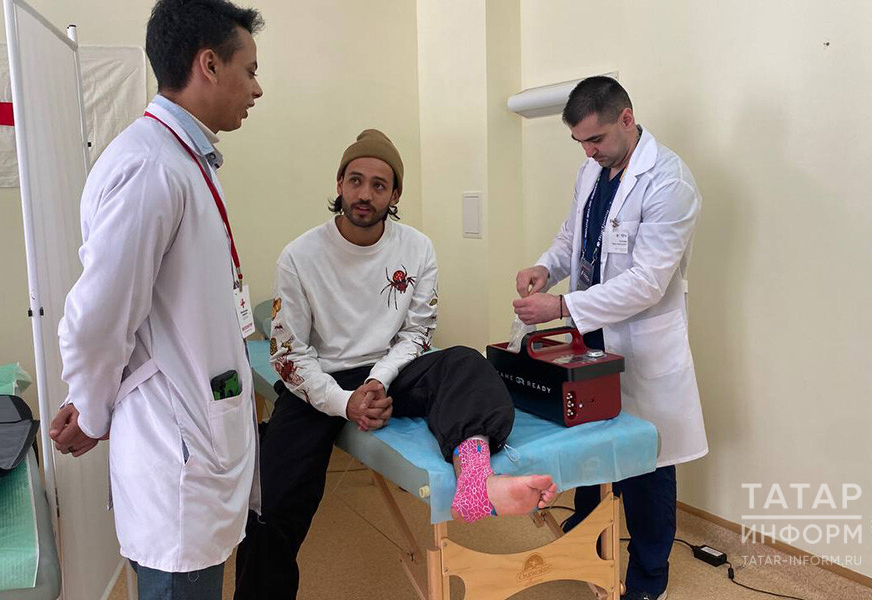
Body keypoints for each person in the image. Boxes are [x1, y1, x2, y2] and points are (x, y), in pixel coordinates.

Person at [234, 129, 557, 598]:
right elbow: (288, 354)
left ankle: (475, 476)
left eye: (379, 185)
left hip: (391, 368)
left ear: (395, 194)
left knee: (464, 362)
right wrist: (345, 403)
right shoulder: (300, 257)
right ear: (340, 184)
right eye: (356, 180)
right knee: (273, 500)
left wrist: (379, 380)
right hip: (319, 378)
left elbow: (417, 333)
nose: (365, 194)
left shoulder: (417, 248)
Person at [48, 1, 264, 597]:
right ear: (209, 65)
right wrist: (91, 412)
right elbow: (95, 322)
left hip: (195, 431)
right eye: (249, 70)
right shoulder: (151, 168)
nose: (257, 89)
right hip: (175, 455)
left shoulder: (187, 159)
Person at [513, 76, 707, 600]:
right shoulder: (592, 169)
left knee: (645, 465)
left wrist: (561, 307)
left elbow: (647, 282)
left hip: (641, 342)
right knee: (591, 449)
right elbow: (573, 238)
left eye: (595, 139)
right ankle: (588, 549)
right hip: (592, 335)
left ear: (627, 118)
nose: (588, 151)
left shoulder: (669, 182)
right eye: (579, 142)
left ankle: (648, 579)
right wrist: (546, 268)